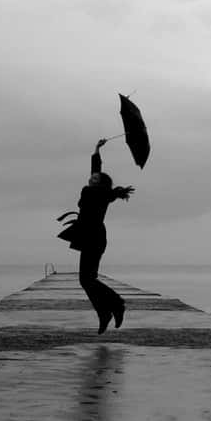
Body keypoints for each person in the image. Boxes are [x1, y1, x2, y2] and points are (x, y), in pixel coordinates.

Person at [77, 138, 134, 334]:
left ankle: (115, 306)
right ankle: (106, 311)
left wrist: (117, 192)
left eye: (94, 178)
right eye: (92, 177)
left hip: (95, 238)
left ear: (100, 184)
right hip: (89, 237)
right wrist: (96, 150)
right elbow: (96, 170)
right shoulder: (95, 190)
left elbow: (108, 192)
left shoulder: (97, 193)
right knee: (86, 279)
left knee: (87, 279)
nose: (91, 178)